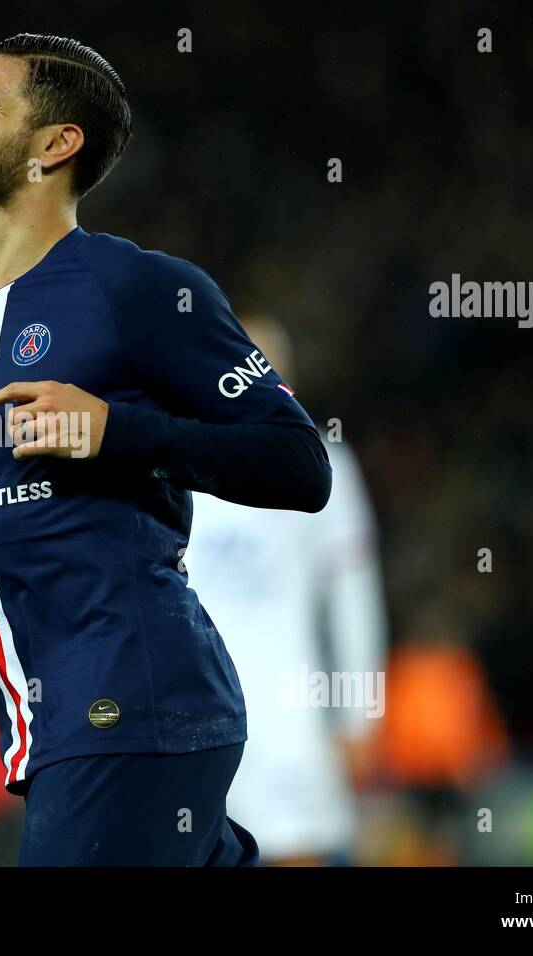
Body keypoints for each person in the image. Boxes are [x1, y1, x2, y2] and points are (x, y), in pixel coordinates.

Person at [0, 34, 331, 866]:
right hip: (57, 728)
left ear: (56, 146)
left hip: (132, 705)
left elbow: (300, 466)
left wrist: (115, 431)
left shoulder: (142, 288)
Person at [185, 317, 388, 865]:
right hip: (195, 716)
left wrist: (359, 716)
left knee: (295, 848)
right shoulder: (180, 465)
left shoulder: (326, 468)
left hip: (289, 711)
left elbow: (353, 599)